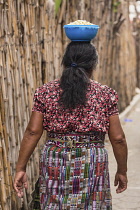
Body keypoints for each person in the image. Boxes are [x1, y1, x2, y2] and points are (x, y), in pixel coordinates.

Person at [14, 41, 128, 210]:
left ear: (65, 63)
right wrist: (122, 170)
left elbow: (32, 132)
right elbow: (118, 139)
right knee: (93, 205)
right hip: (92, 161)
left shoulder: (45, 92)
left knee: (54, 205)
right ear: (92, 65)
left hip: (55, 159)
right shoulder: (106, 94)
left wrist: (20, 168)